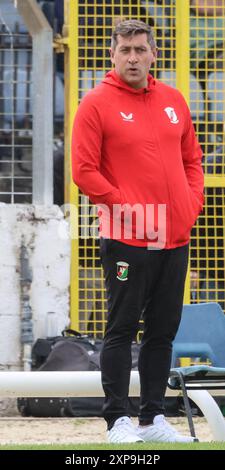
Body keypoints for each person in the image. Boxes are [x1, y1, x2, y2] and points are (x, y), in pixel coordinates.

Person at [72, 19, 204, 443]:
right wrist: (126, 210)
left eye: (140, 49)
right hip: (126, 237)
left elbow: (192, 162)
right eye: (125, 49)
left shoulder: (173, 100)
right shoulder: (95, 103)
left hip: (175, 237)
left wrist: (190, 206)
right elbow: (84, 171)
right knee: (122, 328)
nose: (133, 57)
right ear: (112, 54)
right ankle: (117, 421)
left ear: (153, 54)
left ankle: (152, 420)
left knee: (163, 330)